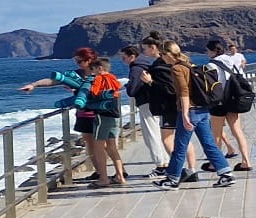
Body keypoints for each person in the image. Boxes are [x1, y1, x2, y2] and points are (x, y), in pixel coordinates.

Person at [17, 47, 110, 184]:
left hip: (100, 113)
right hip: (83, 113)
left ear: (89, 60)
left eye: (80, 61)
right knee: (90, 145)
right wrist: (34, 85)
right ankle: (100, 173)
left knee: (103, 145)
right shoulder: (76, 74)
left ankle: (112, 174)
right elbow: (54, 81)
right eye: (76, 61)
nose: (77, 64)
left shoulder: (100, 73)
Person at [153, 40, 234, 189]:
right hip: (202, 110)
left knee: (180, 146)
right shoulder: (189, 64)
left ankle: (172, 179)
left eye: (162, 54)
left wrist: (184, 114)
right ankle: (226, 173)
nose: (161, 58)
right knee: (209, 144)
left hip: (190, 111)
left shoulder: (177, 68)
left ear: (168, 54)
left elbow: (184, 92)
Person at [205, 39, 255, 173]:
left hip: (219, 102)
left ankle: (215, 164)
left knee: (216, 133)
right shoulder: (231, 61)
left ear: (213, 51)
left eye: (208, 50)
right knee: (237, 131)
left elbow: (210, 85)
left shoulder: (210, 65)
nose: (207, 53)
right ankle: (246, 161)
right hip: (232, 99)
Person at [121, 44, 169, 173]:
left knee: (151, 134)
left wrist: (127, 85)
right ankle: (165, 161)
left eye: (124, 58)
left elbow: (132, 90)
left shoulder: (136, 68)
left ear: (132, 56)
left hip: (146, 102)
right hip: (154, 102)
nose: (123, 61)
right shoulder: (147, 64)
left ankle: (160, 165)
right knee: (157, 133)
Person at [141, 34, 182, 178]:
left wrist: (150, 82)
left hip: (168, 107)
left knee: (167, 139)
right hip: (179, 105)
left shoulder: (160, 66)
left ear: (153, 47)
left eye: (145, 49)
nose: (143, 52)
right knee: (182, 139)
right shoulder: (176, 64)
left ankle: (177, 169)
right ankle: (186, 169)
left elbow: (169, 89)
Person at [86, 57, 128, 186]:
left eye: (93, 69)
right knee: (112, 147)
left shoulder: (99, 79)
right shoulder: (113, 79)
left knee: (98, 147)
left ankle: (103, 178)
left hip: (102, 116)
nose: (92, 73)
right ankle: (120, 176)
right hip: (114, 115)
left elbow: (93, 94)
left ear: (99, 68)